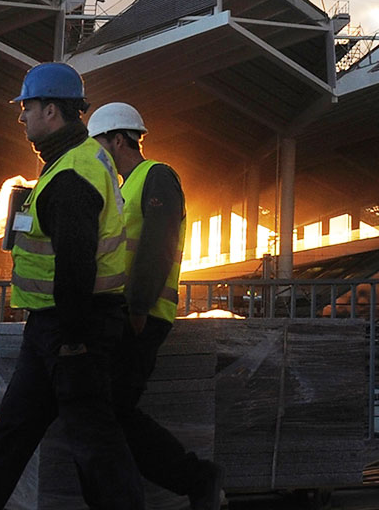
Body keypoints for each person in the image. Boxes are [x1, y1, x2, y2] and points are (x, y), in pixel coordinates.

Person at [0, 63, 144, 510]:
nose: (21, 118)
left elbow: (76, 265)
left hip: (71, 332)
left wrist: (74, 341)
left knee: (95, 448)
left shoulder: (69, 174)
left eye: (26, 108)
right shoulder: (72, 162)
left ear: (51, 111)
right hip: (53, 330)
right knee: (15, 434)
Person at [89, 102, 225, 510]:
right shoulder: (125, 185)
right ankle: (191, 479)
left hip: (142, 315)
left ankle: (195, 478)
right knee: (112, 409)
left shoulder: (156, 176)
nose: (96, 156)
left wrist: (138, 305)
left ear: (117, 139)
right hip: (129, 312)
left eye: (99, 146)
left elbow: (158, 242)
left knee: (113, 408)